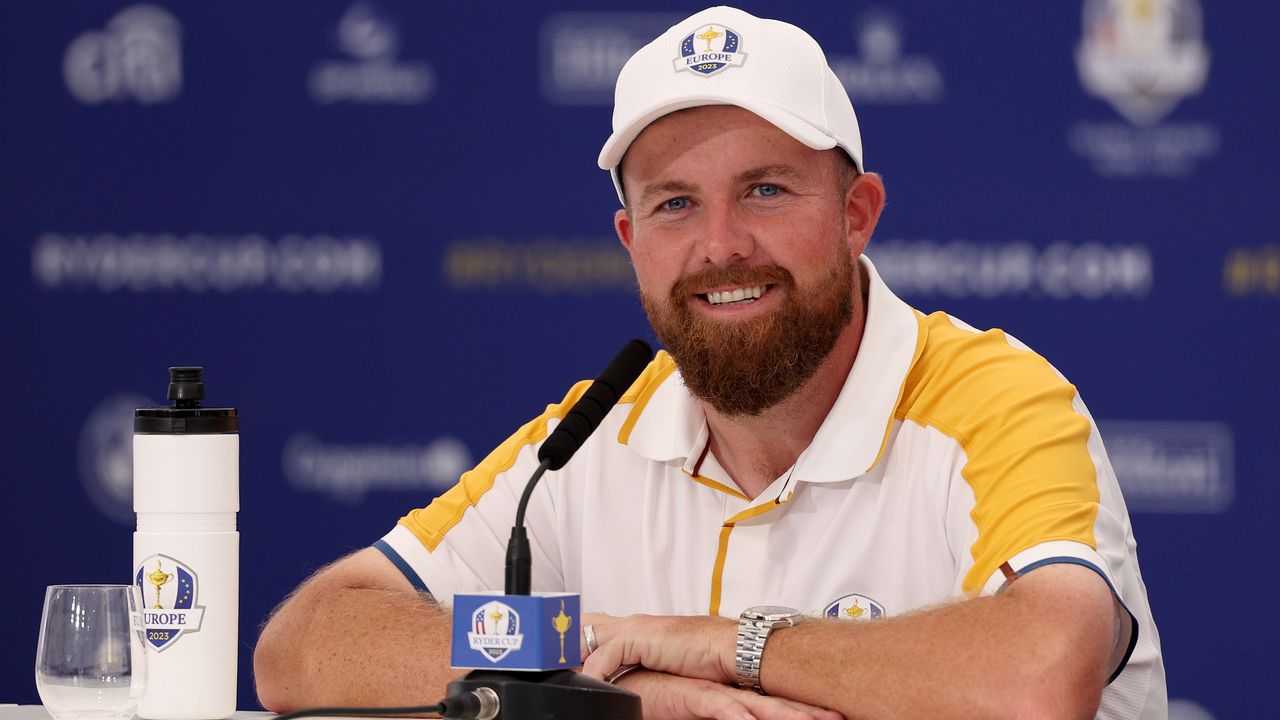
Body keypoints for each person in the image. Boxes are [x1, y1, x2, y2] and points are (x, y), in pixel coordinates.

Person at [254, 7, 1165, 719]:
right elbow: (305, 647)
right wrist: (607, 681)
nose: (720, 246)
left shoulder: (990, 399)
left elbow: (1038, 682)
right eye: (676, 205)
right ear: (630, 238)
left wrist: (730, 643)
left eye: (765, 190)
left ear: (857, 214)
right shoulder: (595, 434)